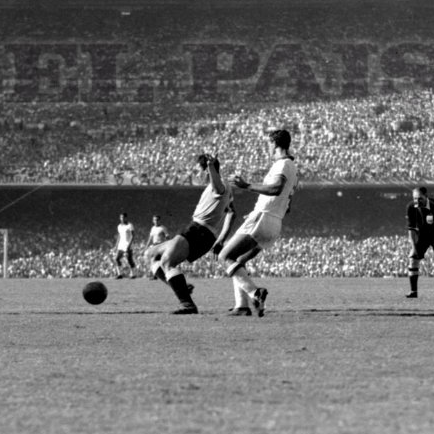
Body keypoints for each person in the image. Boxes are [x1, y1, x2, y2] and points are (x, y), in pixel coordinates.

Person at [218, 128, 298, 318]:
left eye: (268, 144)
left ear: (275, 144)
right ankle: (242, 306)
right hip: (273, 221)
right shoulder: (293, 168)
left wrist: (246, 186)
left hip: (264, 217)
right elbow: (287, 203)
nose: (267, 148)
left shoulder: (283, 164)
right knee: (238, 260)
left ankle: (255, 293)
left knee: (225, 256)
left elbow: (276, 188)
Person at [147, 154, 235, 314]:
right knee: (152, 254)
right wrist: (221, 239)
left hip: (199, 231)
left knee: (167, 262)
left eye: (198, 170)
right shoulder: (223, 189)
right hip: (199, 231)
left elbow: (218, 188)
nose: (196, 174)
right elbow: (232, 213)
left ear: (207, 170)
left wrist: (210, 167)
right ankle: (182, 289)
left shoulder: (219, 186)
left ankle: (187, 304)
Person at [404, 186, 434, 298]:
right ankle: (413, 292)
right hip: (422, 235)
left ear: (426, 197)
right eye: (414, 198)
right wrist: (414, 248)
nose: (417, 201)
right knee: (413, 259)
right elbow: (411, 229)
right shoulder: (411, 207)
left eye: (419, 198)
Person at [113, 212, 136, 279]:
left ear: (126, 218)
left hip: (127, 245)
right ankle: (119, 274)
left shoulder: (130, 225)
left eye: (123, 217)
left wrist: (129, 245)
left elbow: (133, 235)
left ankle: (133, 274)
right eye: (121, 217)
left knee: (129, 260)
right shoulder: (119, 226)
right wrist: (116, 245)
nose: (122, 219)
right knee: (116, 259)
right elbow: (119, 236)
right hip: (121, 245)